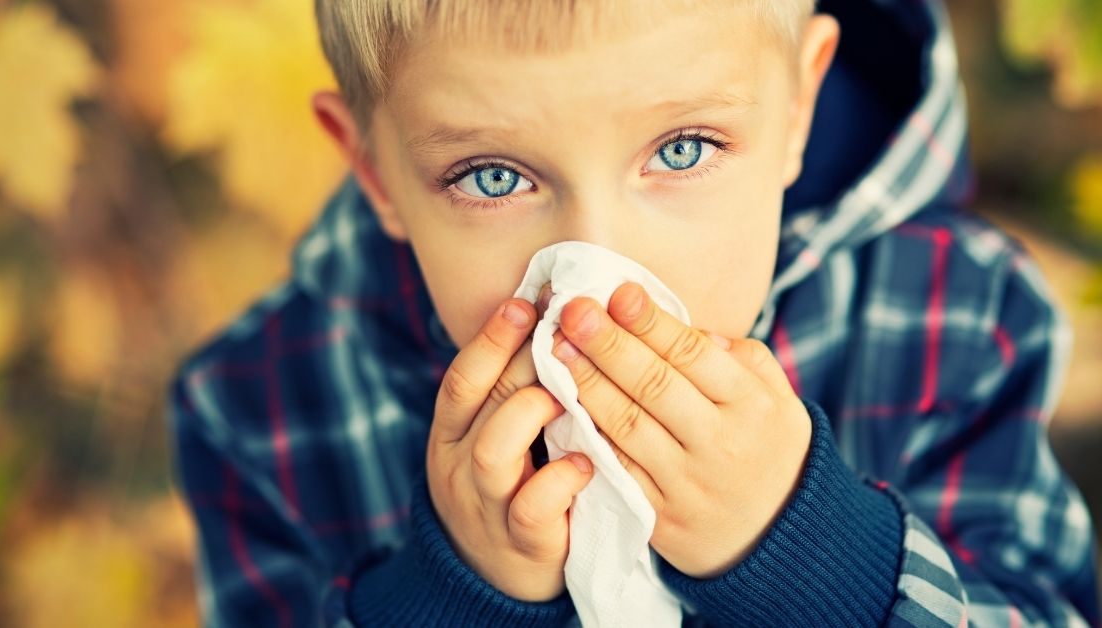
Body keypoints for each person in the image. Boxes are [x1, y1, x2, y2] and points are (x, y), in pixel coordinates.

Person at [166, 0, 1101, 625]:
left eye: (683, 149)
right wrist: (451, 597)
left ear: (797, 106)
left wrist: (815, 559)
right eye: (492, 177)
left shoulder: (959, 320)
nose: (598, 277)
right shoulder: (258, 410)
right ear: (373, 169)